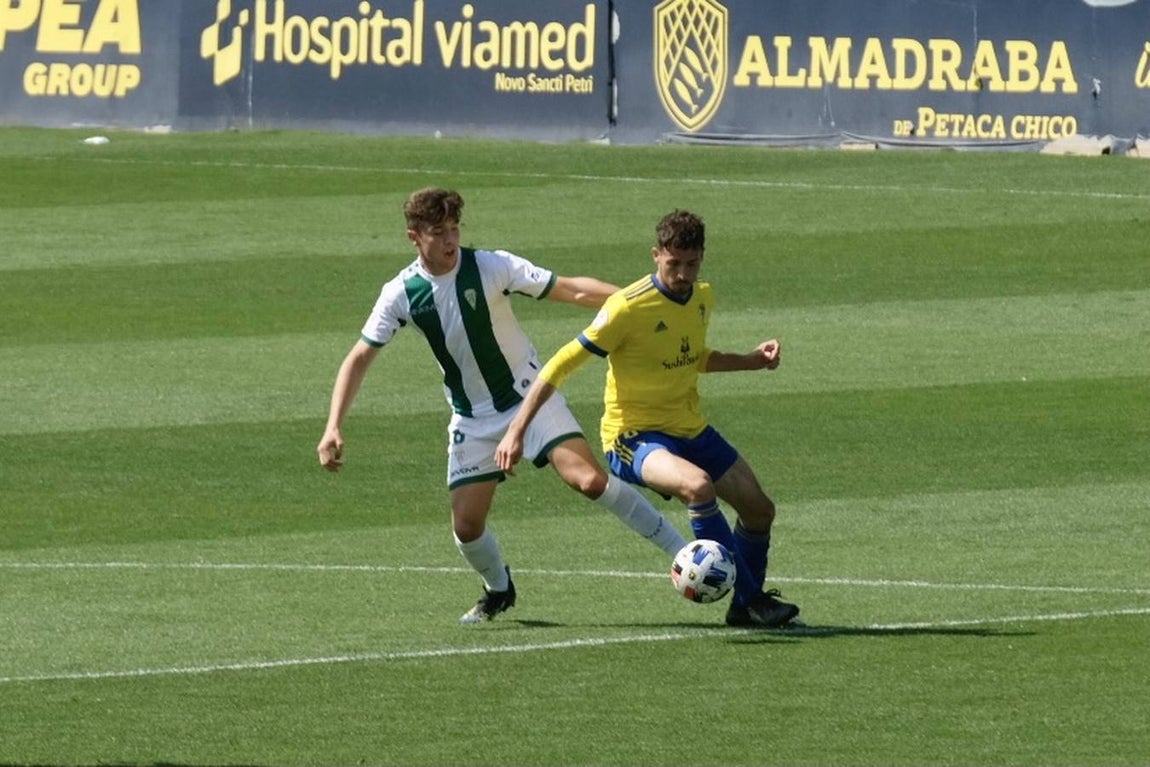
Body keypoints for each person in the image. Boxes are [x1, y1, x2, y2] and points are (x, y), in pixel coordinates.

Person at [317, 187, 687, 624]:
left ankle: (684, 554)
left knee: (588, 481)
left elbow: (570, 290)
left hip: (531, 397)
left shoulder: (492, 266)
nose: (451, 240)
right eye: (439, 232)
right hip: (472, 419)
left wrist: (638, 301)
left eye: (454, 229)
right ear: (413, 237)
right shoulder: (401, 293)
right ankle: (499, 588)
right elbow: (360, 356)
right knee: (467, 528)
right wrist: (333, 426)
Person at [495, 209, 800, 628]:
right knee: (697, 486)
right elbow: (561, 364)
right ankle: (751, 598)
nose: (682, 274)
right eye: (673, 263)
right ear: (656, 255)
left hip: (689, 427)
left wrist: (752, 361)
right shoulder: (627, 307)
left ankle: (743, 609)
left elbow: (695, 358)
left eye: (691, 264)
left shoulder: (702, 298)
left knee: (760, 510)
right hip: (632, 437)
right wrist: (517, 430)